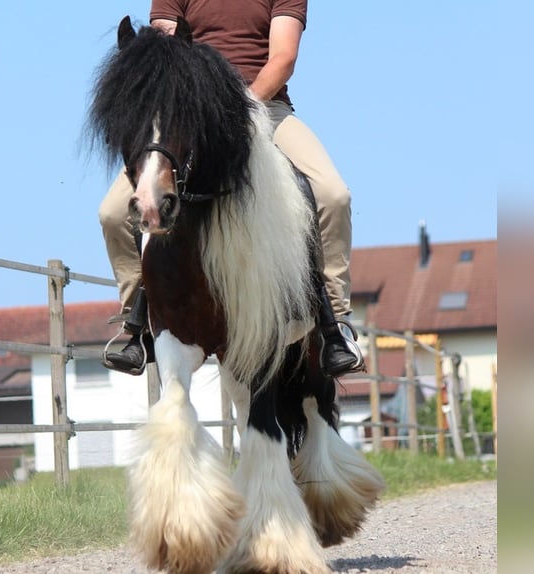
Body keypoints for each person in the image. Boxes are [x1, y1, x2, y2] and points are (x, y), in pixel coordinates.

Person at [98, 0, 364, 378]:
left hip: (261, 106)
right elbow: (164, 52)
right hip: (185, 113)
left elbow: (282, 59)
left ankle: (336, 322)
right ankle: (135, 324)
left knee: (333, 195)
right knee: (112, 214)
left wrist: (239, 107)